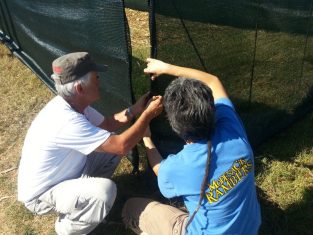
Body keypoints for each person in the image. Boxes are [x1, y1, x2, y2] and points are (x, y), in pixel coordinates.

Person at [17, 52, 163, 235]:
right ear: (79, 88)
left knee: (109, 143)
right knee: (104, 191)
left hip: (67, 173)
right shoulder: (66, 121)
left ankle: (85, 200)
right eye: (96, 78)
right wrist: (148, 115)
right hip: (42, 194)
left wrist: (135, 110)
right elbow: (121, 145)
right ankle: (66, 229)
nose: (99, 81)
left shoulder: (73, 104)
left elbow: (109, 124)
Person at [122, 58, 261, 235]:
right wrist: (168, 68)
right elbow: (213, 81)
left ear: (174, 126)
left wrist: (147, 137)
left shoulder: (179, 167)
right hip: (249, 229)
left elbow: (159, 169)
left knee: (131, 208)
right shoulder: (233, 129)